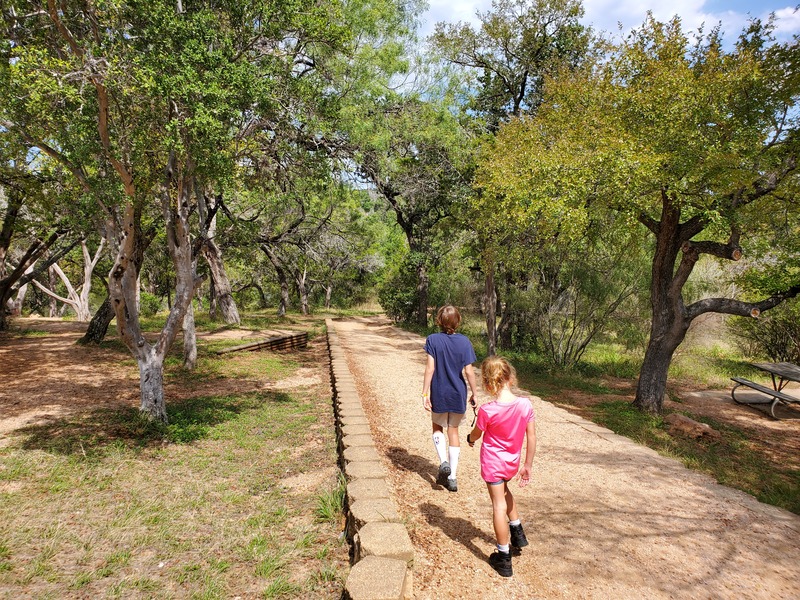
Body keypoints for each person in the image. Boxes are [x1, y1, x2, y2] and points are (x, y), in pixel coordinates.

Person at [466, 355, 536, 578]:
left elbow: (477, 433)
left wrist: (470, 437)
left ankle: (503, 557)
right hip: (512, 463)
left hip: (493, 464)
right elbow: (531, 437)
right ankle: (517, 532)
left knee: (498, 505)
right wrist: (527, 465)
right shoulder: (525, 404)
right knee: (505, 492)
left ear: (487, 384)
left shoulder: (488, 410)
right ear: (511, 378)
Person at [422, 305, 478, 492]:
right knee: (453, 431)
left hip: (439, 391)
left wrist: (424, 393)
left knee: (437, 427)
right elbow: (469, 371)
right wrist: (475, 393)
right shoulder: (464, 342)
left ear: (439, 321)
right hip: (457, 393)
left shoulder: (433, 340)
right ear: (458, 321)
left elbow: (430, 368)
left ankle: (443, 461)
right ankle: (452, 477)